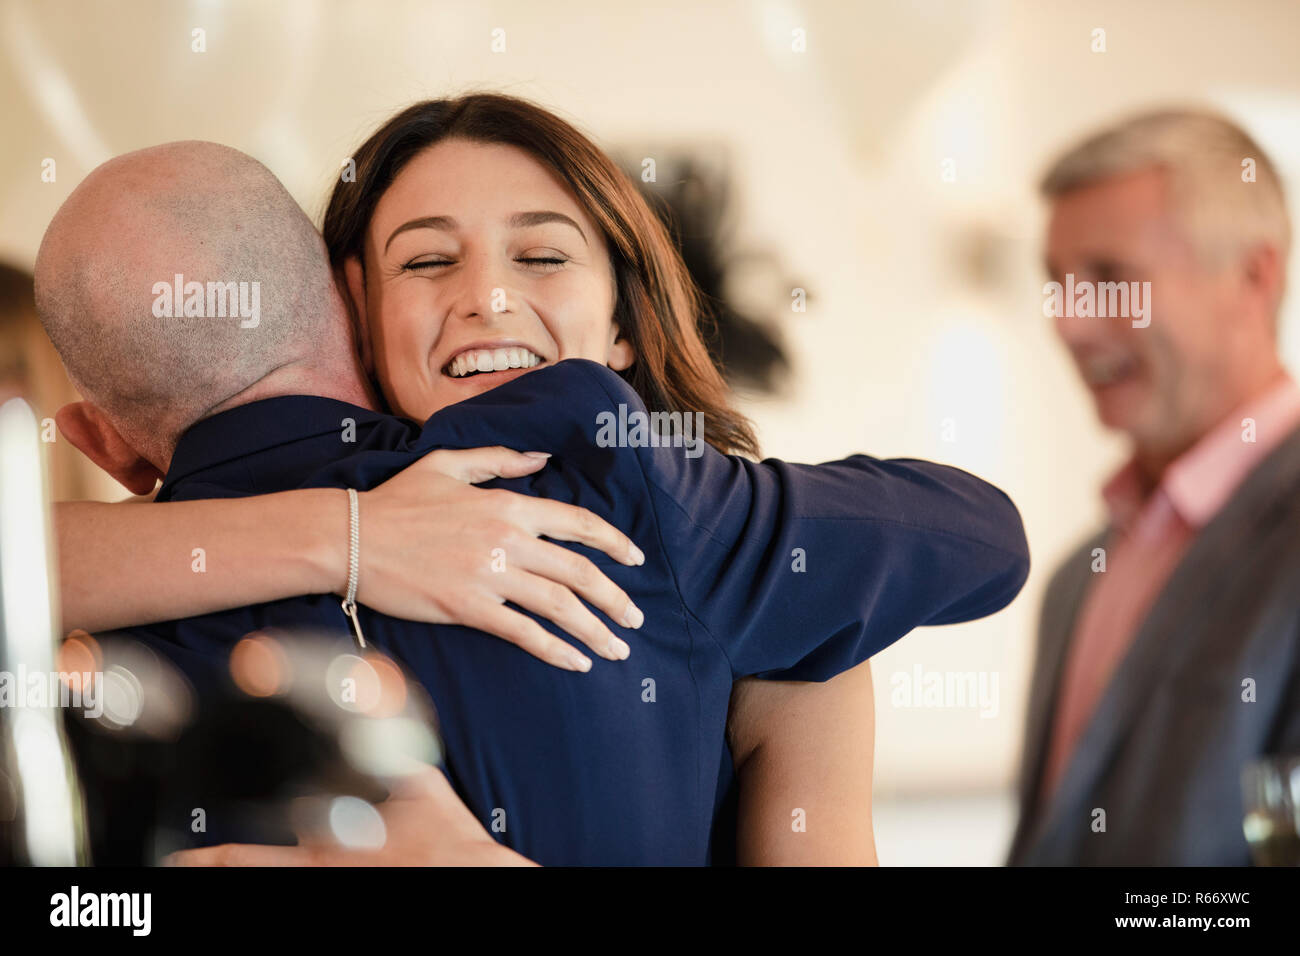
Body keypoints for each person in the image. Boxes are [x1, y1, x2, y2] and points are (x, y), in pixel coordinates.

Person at [41, 100, 1027, 865]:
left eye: (543, 253)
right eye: (427, 258)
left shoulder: (712, 537)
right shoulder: (114, 591)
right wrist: (349, 532)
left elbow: (980, 531)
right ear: (349, 306)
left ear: (625, 326)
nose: (489, 295)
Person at [1010, 108, 1300, 865]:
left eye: (1109, 277)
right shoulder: (1077, 577)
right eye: (1057, 282)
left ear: (1252, 276)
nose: (1069, 324)